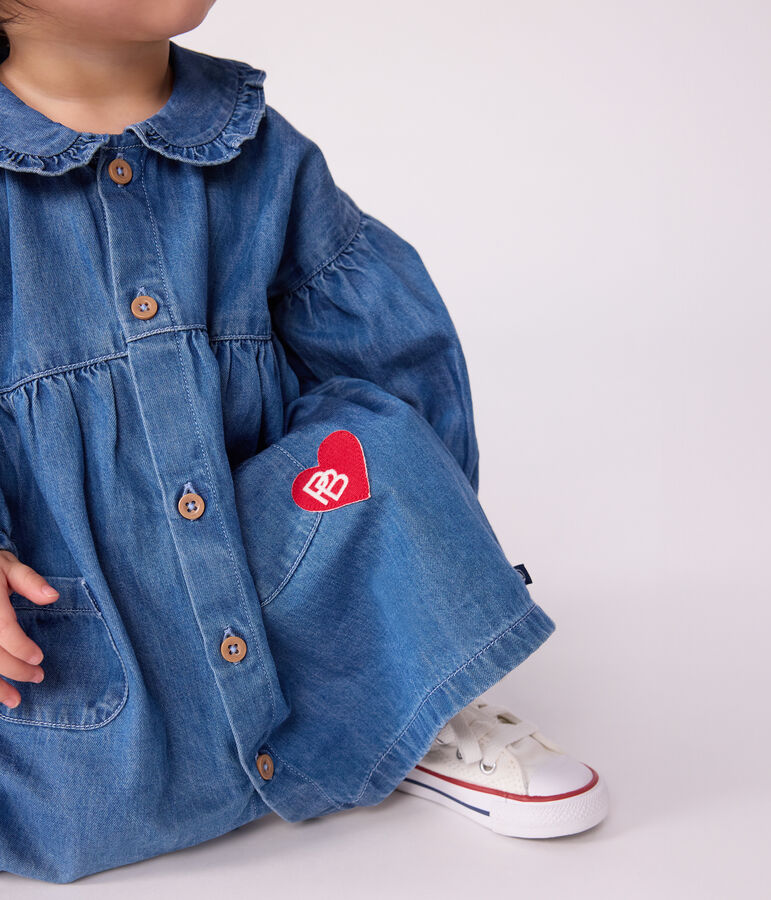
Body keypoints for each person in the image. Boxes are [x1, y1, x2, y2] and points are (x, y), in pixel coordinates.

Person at [0, 0, 608, 884]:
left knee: (376, 438)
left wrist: (421, 575)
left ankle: (405, 696)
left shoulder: (258, 150)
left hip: (256, 562)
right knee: (68, 778)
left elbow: (383, 351)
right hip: (75, 599)